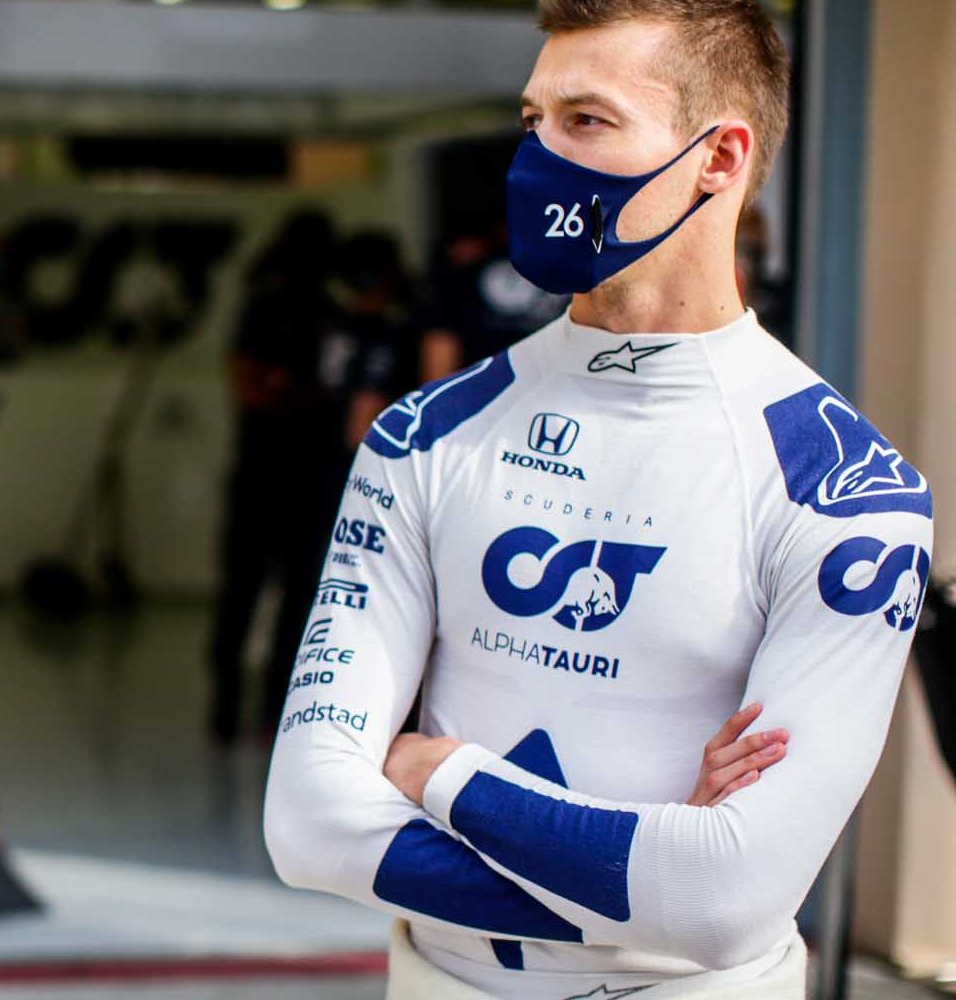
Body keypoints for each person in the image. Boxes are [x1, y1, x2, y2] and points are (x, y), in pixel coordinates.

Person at [262, 3, 930, 999]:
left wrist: (437, 773)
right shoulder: (424, 437)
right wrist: (653, 882)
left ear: (719, 158)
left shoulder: (848, 493)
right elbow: (310, 824)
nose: (537, 159)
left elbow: (731, 897)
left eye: (587, 121)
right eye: (535, 121)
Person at [208, 214, 406, 745]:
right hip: (283, 470)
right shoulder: (298, 310)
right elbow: (251, 384)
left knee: (276, 595)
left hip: (297, 472)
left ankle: (252, 710)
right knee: (260, 594)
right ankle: (236, 709)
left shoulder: (336, 318)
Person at [416, 222, 566, 383]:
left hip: (561, 386)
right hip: (485, 389)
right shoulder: (466, 269)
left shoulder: (577, 270)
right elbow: (441, 338)